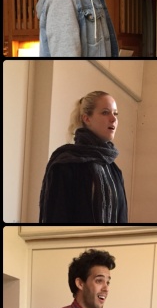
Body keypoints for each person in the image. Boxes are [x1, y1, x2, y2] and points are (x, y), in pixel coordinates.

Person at [39, 91, 128, 223]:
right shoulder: (66, 163)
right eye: (105, 112)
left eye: (115, 113)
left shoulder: (114, 170)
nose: (113, 119)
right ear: (87, 118)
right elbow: (56, 218)